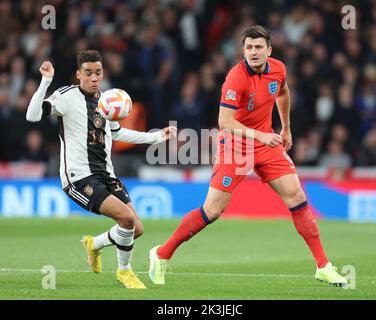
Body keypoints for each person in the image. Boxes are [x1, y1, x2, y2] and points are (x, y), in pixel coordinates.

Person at [148, 26, 347, 287]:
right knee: (212, 210)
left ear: (269, 50)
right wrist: (260, 135)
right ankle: (161, 254)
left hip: (266, 142)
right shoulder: (235, 78)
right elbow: (224, 121)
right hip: (235, 145)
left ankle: (323, 265)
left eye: (259, 47)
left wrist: (286, 127)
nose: (254, 52)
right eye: (249, 47)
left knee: (297, 196)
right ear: (243, 50)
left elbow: (283, 93)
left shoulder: (278, 69)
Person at [26, 50, 177, 289]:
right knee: (126, 218)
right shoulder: (65, 96)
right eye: (88, 73)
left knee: (136, 228)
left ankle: (94, 244)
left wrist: (156, 137)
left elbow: (116, 133)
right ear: (78, 74)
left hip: (106, 173)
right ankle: (124, 271)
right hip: (79, 177)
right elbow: (32, 115)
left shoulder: (107, 100)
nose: (94, 78)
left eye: (98, 72)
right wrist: (46, 81)